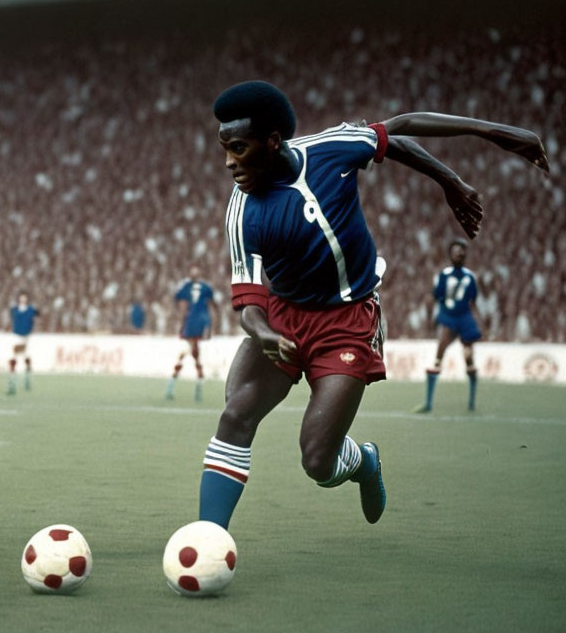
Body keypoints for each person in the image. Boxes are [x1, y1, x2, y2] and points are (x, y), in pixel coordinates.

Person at [197, 80, 548, 530]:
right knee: (236, 412)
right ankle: (208, 538)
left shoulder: (331, 150)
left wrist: (465, 164)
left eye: (239, 149)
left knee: (318, 461)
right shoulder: (241, 208)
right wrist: (265, 334)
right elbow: (248, 305)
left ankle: (363, 461)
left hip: (347, 321)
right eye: (224, 149)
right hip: (281, 316)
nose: (229, 162)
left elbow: (400, 130)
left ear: (272, 142)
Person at [415, 238, 481, 413]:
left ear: (465, 254)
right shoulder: (444, 275)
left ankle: (472, 402)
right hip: (449, 318)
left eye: (461, 251)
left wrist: (478, 321)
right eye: (455, 251)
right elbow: (435, 296)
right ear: (450, 255)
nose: (459, 254)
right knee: (439, 354)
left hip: (465, 319)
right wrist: (430, 317)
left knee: (469, 358)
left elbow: (473, 302)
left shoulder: (470, 276)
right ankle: (428, 403)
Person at [166, 266, 219, 401]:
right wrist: (211, 325)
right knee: (193, 352)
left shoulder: (186, 286)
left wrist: (181, 323)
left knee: (190, 352)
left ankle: (175, 384)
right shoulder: (206, 287)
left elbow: (181, 304)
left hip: (191, 322)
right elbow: (214, 305)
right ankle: (197, 385)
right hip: (201, 322)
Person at [8, 291, 39, 394]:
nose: (23, 300)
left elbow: (38, 313)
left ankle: (27, 380)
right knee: (14, 358)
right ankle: (12, 383)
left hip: (26, 337)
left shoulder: (30, 309)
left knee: (26, 358)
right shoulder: (15, 309)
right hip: (17, 336)